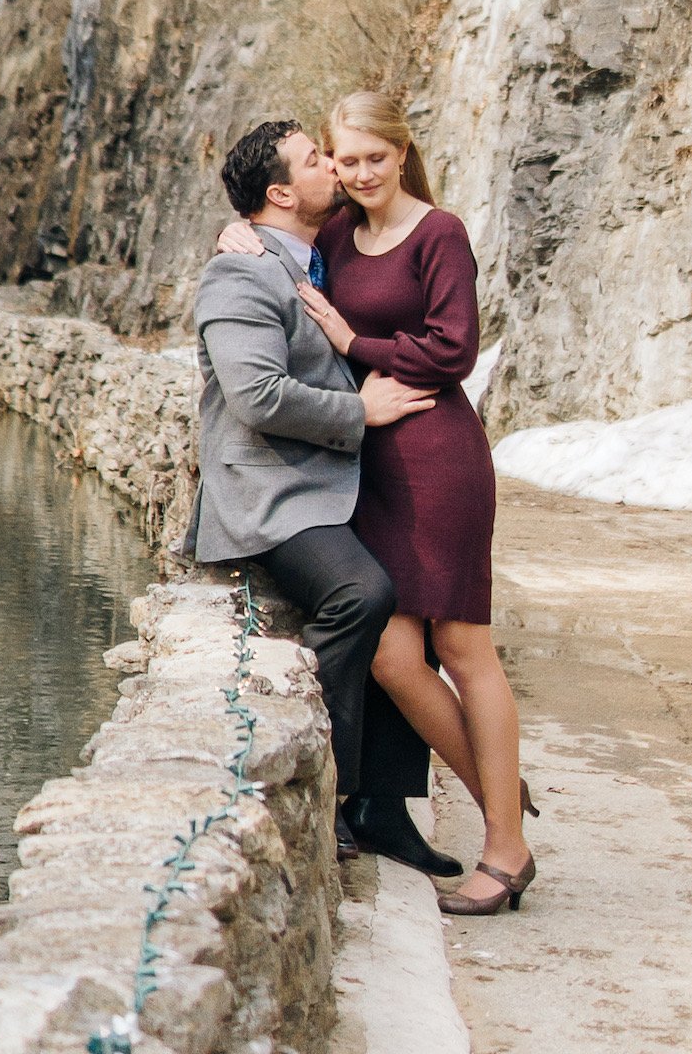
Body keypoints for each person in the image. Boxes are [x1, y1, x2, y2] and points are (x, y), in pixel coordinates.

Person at [219, 90, 536, 915]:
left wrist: (356, 345)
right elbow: (267, 238)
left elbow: (454, 349)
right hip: (366, 468)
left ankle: (504, 848)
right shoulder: (332, 233)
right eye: (342, 159)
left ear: (402, 153)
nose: (355, 172)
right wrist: (240, 234)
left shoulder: (439, 232)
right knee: (397, 657)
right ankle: (503, 793)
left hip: (435, 455)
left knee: (464, 648)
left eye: (371, 158)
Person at [189, 118, 463, 877]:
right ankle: (333, 787)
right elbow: (256, 395)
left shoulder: (322, 254)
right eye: (317, 160)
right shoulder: (240, 274)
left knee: (410, 604)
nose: (337, 169)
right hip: (271, 493)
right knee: (362, 593)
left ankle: (387, 806)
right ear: (281, 192)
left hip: (336, 484)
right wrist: (361, 412)